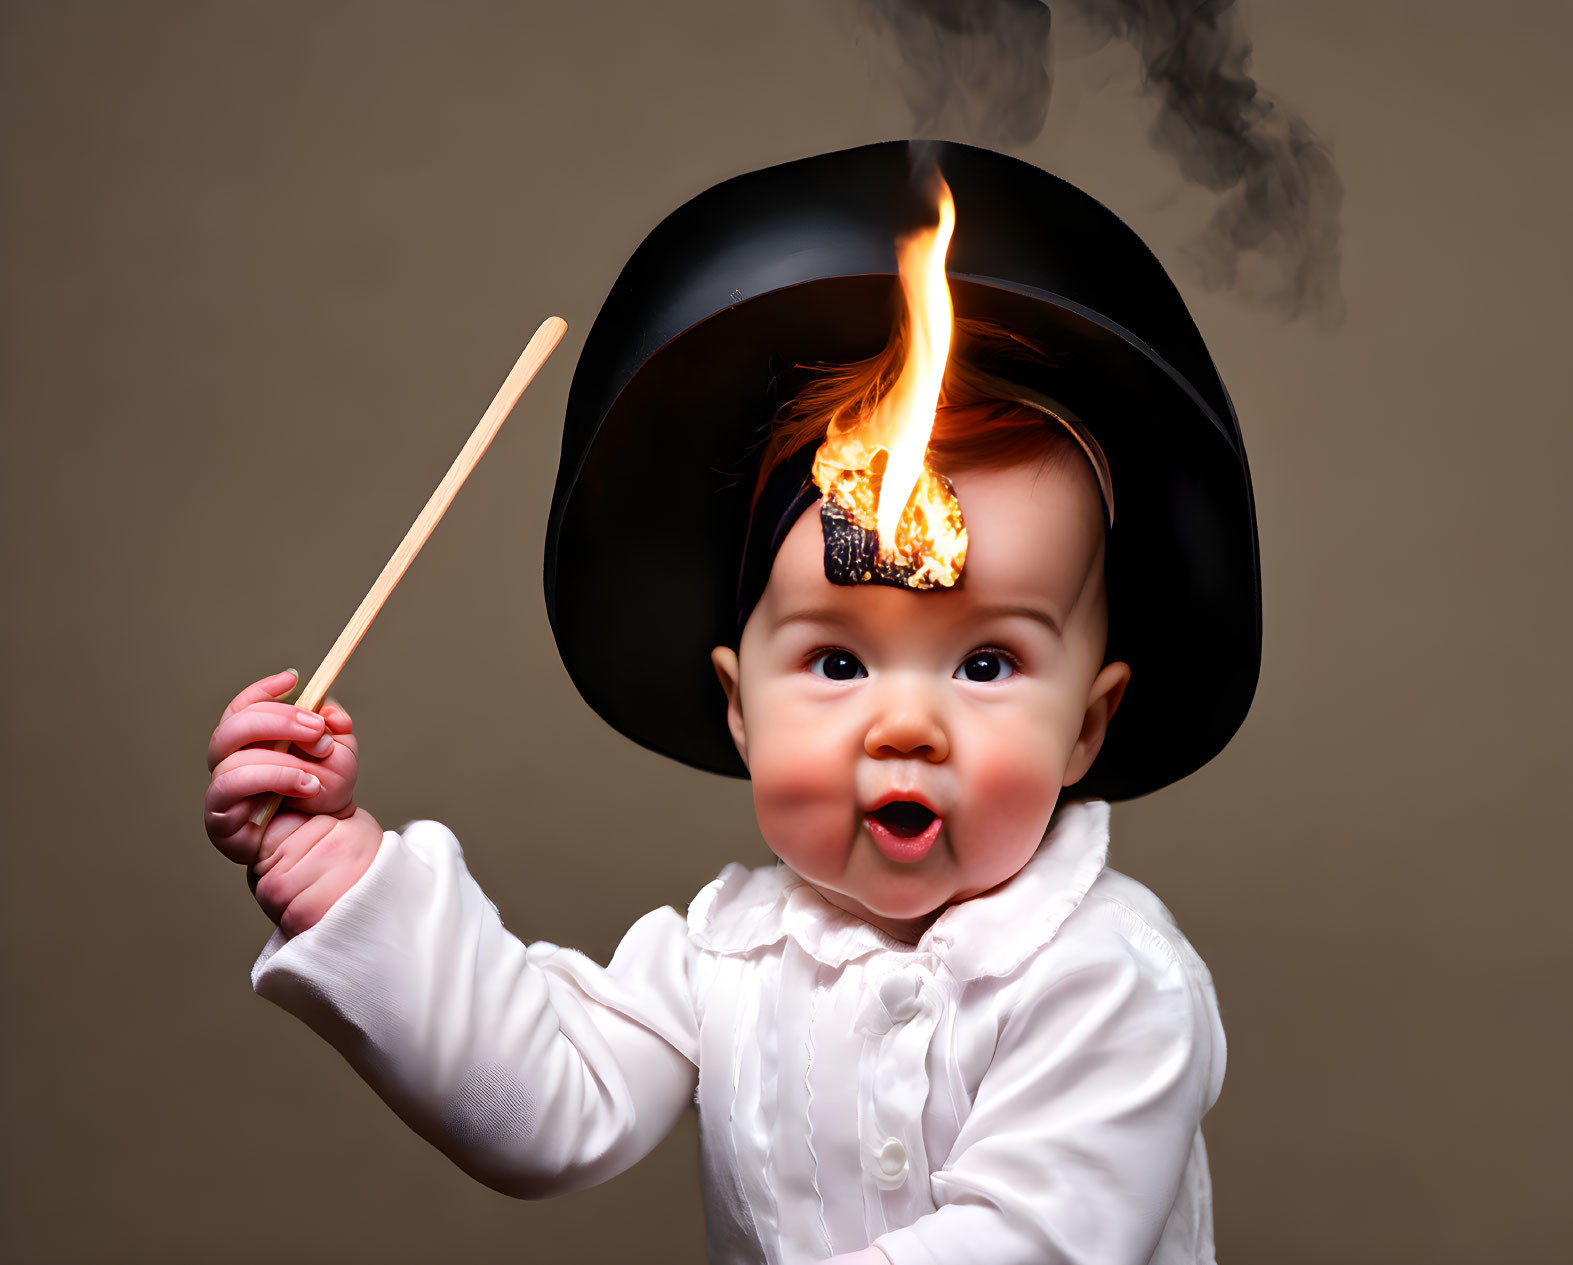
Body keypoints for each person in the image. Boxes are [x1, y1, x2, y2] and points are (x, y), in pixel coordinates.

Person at [204, 141, 1260, 1264]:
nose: (905, 723)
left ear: (1086, 725)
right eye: (839, 665)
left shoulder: (1109, 976)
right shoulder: (725, 952)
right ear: (738, 706)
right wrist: (343, 879)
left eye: (985, 664)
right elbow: (544, 1104)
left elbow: (1031, 1239)